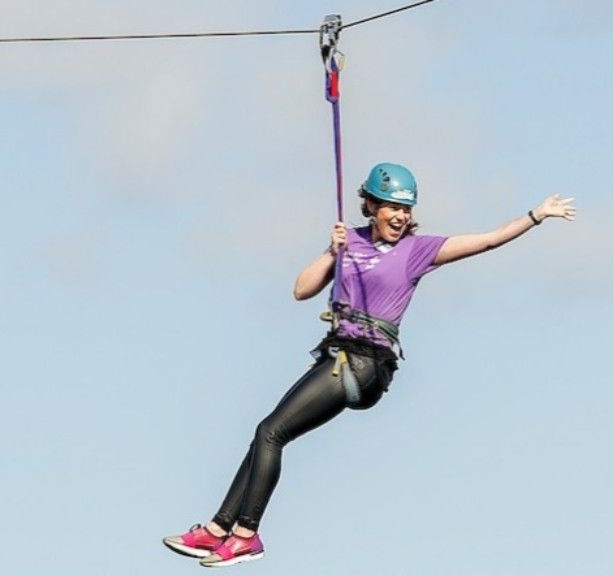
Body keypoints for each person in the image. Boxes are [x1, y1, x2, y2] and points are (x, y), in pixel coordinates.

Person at [163, 163, 576, 567]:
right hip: (336, 356)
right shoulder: (350, 243)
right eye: (392, 207)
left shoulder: (417, 251)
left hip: (365, 366)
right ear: (372, 207)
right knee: (265, 435)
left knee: (270, 432)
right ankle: (218, 531)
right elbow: (301, 290)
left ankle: (246, 534)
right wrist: (331, 251)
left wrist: (536, 215)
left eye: (407, 209)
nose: (400, 216)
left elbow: (487, 241)